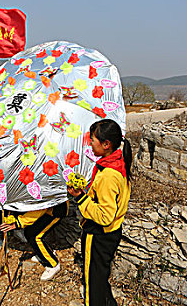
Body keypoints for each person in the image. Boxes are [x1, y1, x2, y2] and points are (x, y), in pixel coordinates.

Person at [67, 119, 132, 306]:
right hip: (112, 231)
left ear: (106, 144)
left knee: (92, 280)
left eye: (93, 140)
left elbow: (104, 216)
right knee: (101, 274)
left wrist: (80, 198)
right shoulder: (117, 163)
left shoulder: (108, 176)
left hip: (99, 234)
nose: (90, 144)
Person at [0, 201, 69, 281]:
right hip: (48, 209)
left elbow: (40, 209)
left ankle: (52, 264)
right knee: (30, 232)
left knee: (35, 237)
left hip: (55, 211)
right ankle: (43, 254)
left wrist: (18, 223)